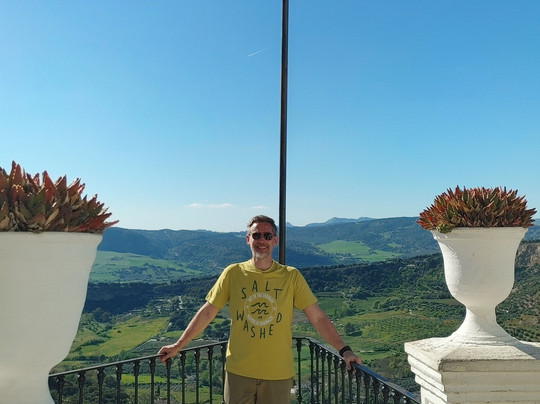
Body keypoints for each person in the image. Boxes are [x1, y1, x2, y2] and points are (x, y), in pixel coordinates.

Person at [158, 215, 361, 404]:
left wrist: (344, 350)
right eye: (256, 235)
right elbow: (207, 312)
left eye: (267, 235)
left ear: (275, 240)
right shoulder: (233, 273)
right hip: (238, 371)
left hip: (278, 373)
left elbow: (317, 318)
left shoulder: (291, 276)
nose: (262, 240)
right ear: (248, 240)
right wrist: (178, 345)